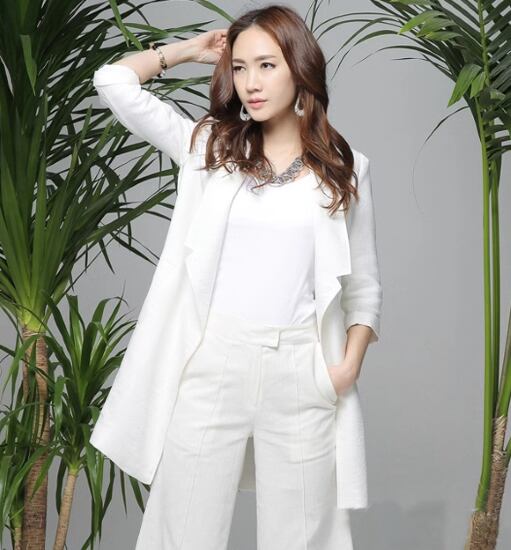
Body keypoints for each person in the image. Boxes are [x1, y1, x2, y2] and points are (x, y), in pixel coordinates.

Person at [91, 5, 382, 549]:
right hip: (213, 360)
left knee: (304, 536)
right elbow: (112, 81)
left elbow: (364, 288)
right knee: (182, 532)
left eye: (267, 65)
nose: (251, 82)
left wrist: (346, 368)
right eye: (241, 67)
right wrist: (186, 51)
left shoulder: (345, 168)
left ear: (300, 67)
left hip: (301, 367)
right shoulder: (210, 148)